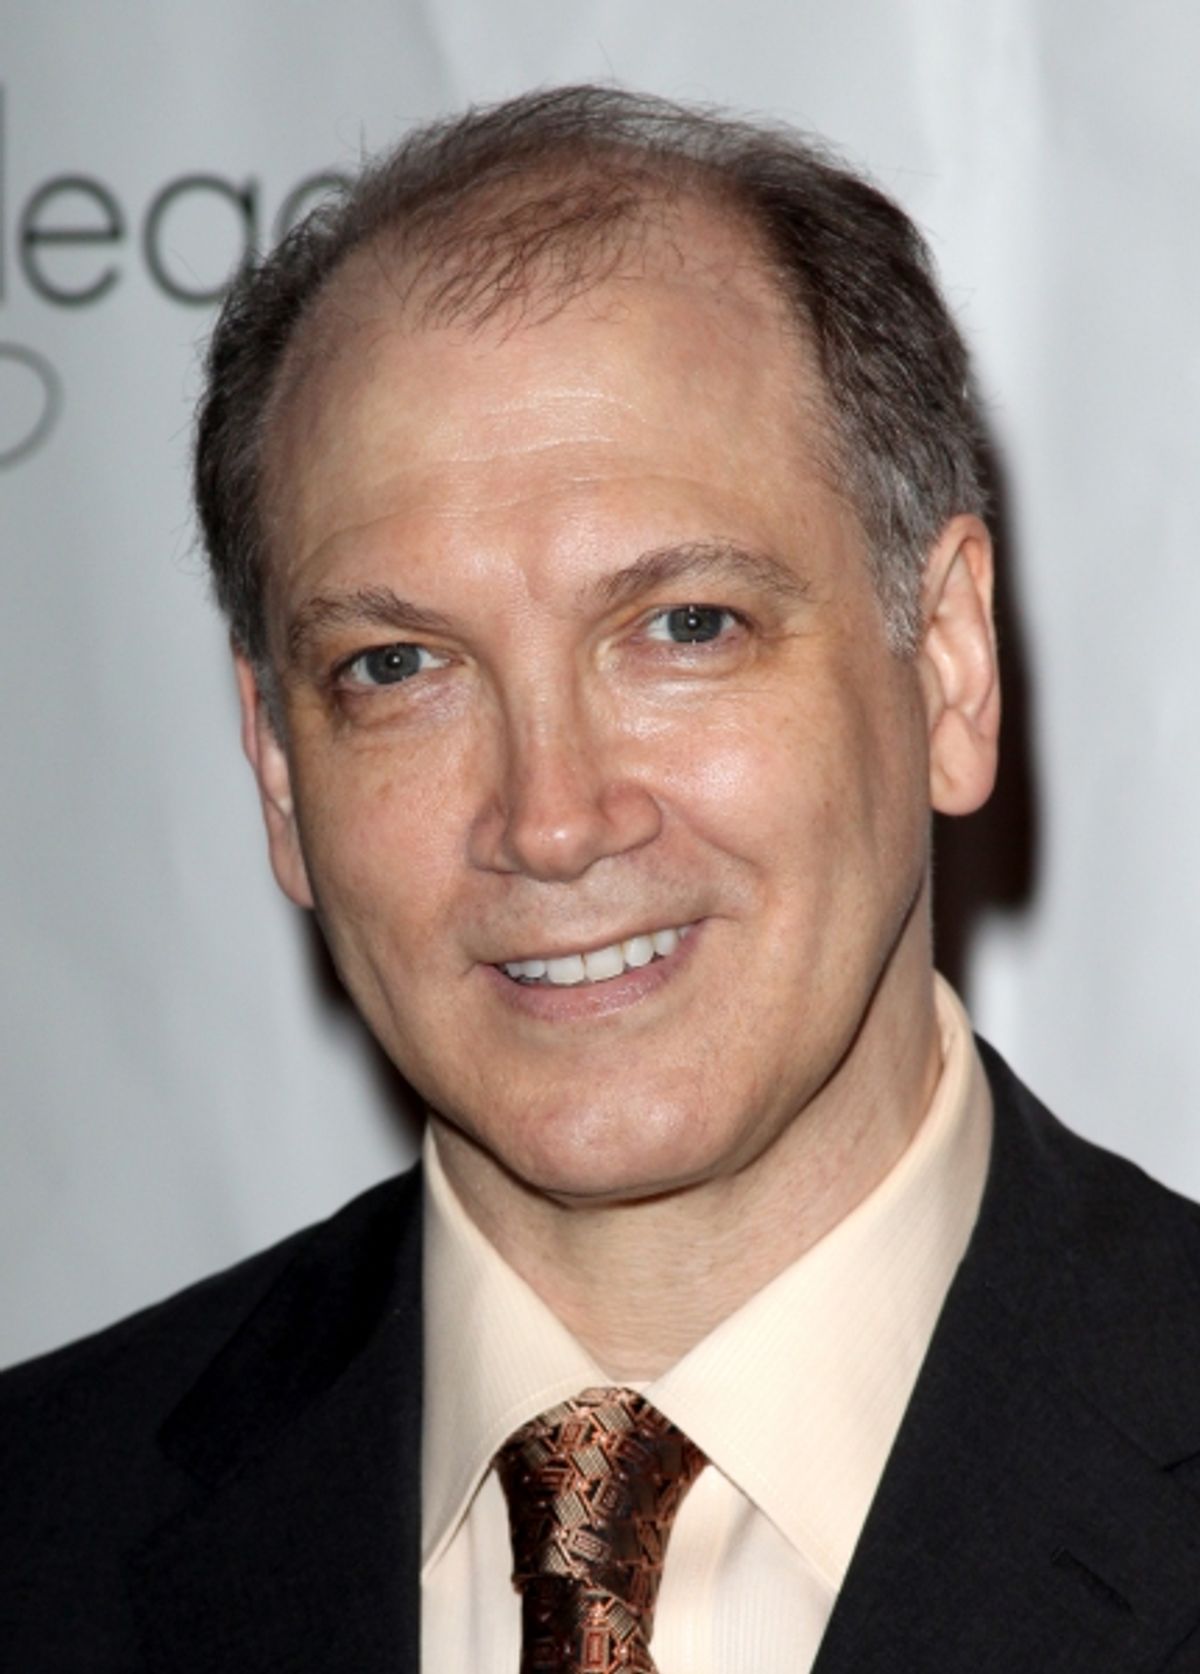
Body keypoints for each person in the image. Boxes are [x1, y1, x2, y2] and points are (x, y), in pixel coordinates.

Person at [4, 85, 1200, 1674]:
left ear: (954, 667)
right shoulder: (36, 1530)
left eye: (685, 626)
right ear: (278, 769)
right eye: (400, 663)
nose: (552, 818)